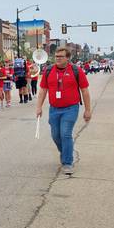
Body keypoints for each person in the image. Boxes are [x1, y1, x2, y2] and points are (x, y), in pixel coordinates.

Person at [35, 46, 92, 175]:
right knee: (56, 135)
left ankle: (67, 162)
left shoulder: (76, 71)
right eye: (56, 56)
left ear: (68, 58)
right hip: (54, 109)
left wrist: (88, 110)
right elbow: (43, 90)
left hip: (71, 108)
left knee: (65, 133)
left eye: (61, 57)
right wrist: (39, 107)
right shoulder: (49, 71)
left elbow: (85, 91)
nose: (58, 59)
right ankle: (65, 151)